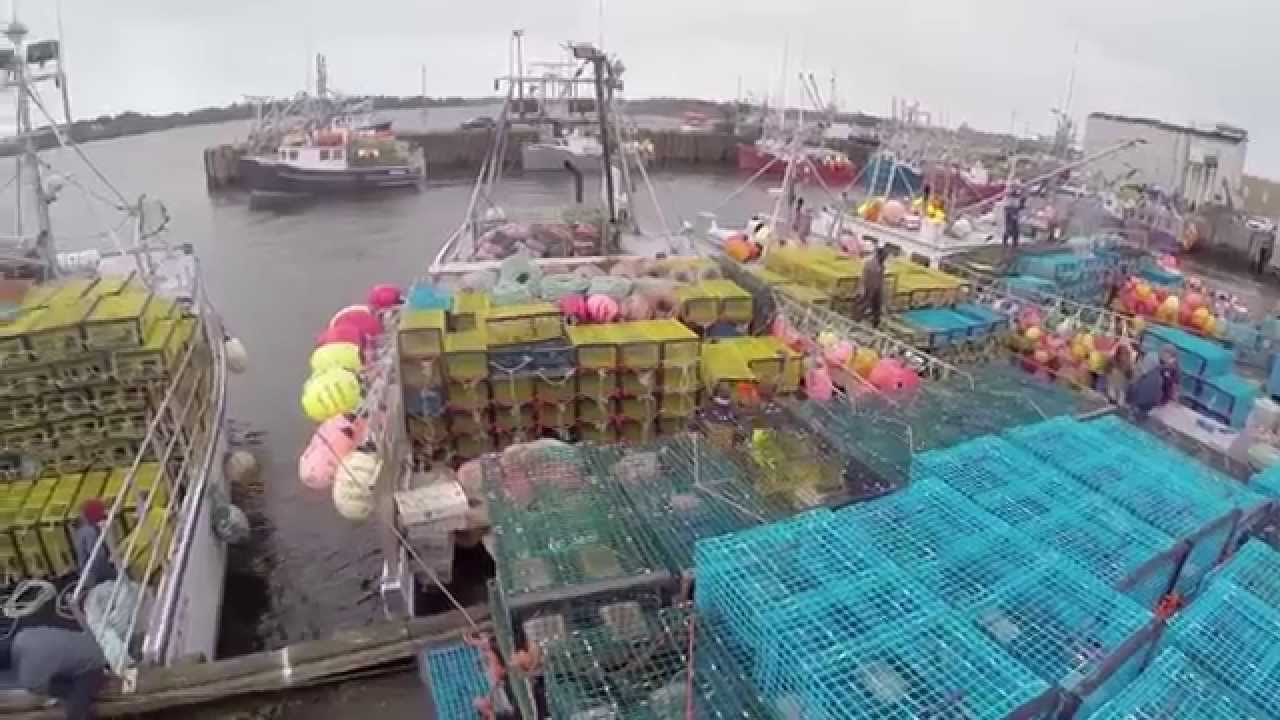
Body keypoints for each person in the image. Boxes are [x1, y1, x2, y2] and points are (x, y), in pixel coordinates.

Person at [10, 626, 107, 720]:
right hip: (87, 643)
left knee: (76, 712)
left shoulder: (29, 677)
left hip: (92, 665)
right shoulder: (21, 637)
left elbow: (40, 689)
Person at [72, 499, 115, 588]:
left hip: (89, 575)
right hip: (95, 577)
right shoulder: (89, 532)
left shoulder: (83, 531)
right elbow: (97, 557)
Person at [860, 244, 888, 328]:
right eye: (884, 256)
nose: (885, 258)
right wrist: (862, 288)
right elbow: (864, 277)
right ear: (879, 255)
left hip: (877, 289)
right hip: (868, 288)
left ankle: (875, 324)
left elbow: (881, 278)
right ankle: (856, 321)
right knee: (863, 305)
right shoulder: (869, 263)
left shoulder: (882, 265)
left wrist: (882, 289)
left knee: (877, 307)